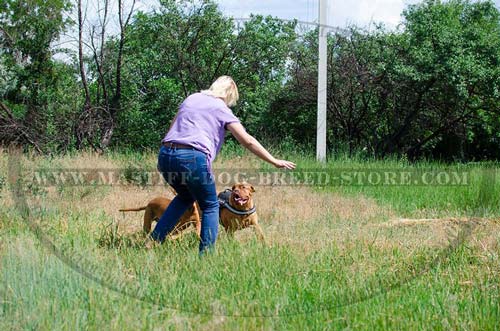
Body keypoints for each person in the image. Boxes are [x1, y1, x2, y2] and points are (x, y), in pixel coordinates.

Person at [150, 76, 295, 254]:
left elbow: (173, 127)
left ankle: (155, 240)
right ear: (228, 94)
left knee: (185, 197)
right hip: (192, 157)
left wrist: (164, 158)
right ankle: (207, 255)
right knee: (211, 205)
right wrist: (274, 160)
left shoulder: (192, 98)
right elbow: (247, 141)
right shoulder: (221, 108)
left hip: (166, 154)